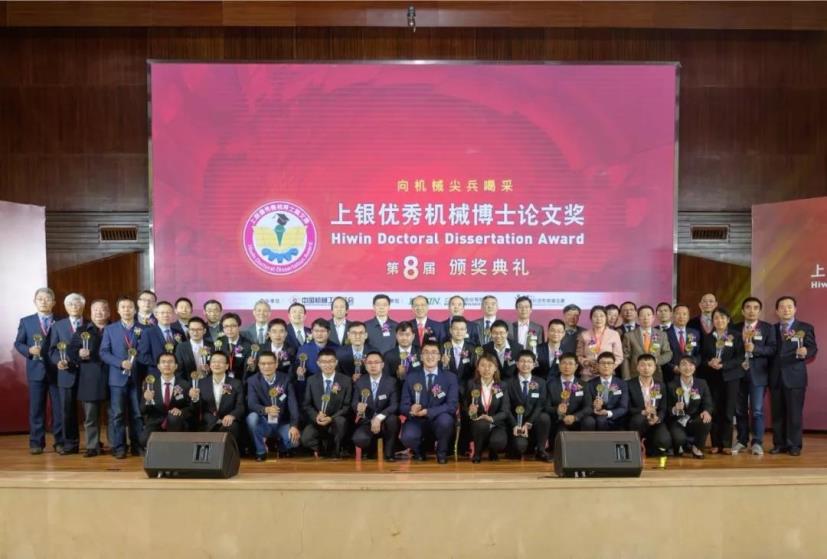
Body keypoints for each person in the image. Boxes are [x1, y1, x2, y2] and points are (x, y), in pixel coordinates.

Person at [14, 287, 63, 454]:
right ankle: (36, 443)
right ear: (35, 302)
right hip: (36, 370)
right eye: (40, 299)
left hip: (58, 371)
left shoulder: (61, 321)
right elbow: (18, 343)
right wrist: (28, 350)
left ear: (54, 302)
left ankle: (60, 442)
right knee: (36, 409)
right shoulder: (26, 321)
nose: (43, 301)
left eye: (47, 299)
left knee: (59, 409)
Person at [770, 296, 818, 456]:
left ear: (795, 309)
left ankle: (794, 445)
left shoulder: (805, 327)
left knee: (794, 413)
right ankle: (779, 444)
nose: (786, 309)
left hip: (795, 376)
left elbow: (813, 348)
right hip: (775, 376)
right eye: (782, 307)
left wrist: (806, 351)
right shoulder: (771, 329)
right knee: (777, 414)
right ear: (777, 311)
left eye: (789, 306)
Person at [400, 341, 459, 464]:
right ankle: (419, 451)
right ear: (421, 357)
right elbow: (403, 405)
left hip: (439, 418)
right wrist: (411, 409)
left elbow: (452, 406)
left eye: (433, 353)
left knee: (446, 421)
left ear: (439, 357)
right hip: (417, 420)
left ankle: (441, 453)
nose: (430, 356)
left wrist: (428, 412)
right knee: (408, 437)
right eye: (426, 353)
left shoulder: (450, 377)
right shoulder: (411, 377)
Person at [100, 296, 144, 458]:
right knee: (117, 414)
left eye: (130, 307)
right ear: (118, 310)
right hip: (117, 380)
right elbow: (103, 353)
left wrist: (135, 362)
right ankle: (119, 447)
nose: (127, 310)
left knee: (137, 414)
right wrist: (120, 363)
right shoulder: (110, 329)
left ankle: (137, 446)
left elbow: (146, 351)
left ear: (135, 309)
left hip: (137, 378)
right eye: (123, 307)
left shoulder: (144, 328)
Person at [732, 297, 777, 455]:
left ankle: (757, 442)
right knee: (740, 410)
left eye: (755, 307)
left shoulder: (767, 328)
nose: (752, 310)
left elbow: (772, 349)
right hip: (738, 374)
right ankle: (741, 441)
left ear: (760, 311)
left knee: (757, 410)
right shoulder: (734, 328)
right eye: (748, 307)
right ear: (743, 310)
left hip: (758, 375)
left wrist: (755, 349)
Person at [68, 299, 110, 457]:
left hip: (112, 377)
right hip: (89, 378)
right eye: (95, 310)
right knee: (91, 416)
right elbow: (71, 351)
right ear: (90, 313)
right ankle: (92, 446)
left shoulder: (115, 328)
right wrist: (78, 353)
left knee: (114, 415)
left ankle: (116, 445)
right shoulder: (82, 330)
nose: (99, 312)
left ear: (109, 312)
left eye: (103, 309)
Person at [699, 307, 744, 454]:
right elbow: (702, 358)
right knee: (715, 410)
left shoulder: (736, 336)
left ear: (728, 320)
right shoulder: (707, 337)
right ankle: (715, 443)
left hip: (731, 378)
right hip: (712, 378)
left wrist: (724, 365)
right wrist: (709, 363)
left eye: (723, 318)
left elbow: (740, 358)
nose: (719, 320)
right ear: (712, 321)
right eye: (716, 318)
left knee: (728, 411)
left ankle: (726, 444)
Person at [49, 292, 87, 455]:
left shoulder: (90, 324)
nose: (74, 306)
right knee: (67, 411)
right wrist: (58, 360)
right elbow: (52, 350)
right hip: (66, 373)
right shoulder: (58, 326)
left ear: (83, 306)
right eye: (70, 304)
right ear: (65, 307)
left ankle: (92, 443)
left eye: (77, 303)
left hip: (87, 374)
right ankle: (70, 444)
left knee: (90, 412)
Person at [246, 351, 300, 461]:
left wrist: (294, 425)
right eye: (263, 364)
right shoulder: (253, 381)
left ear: (276, 364)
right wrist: (266, 409)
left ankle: (283, 447)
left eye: (270, 363)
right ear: (258, 365)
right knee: (251, 418)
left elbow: (293, 404)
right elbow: (251, 403)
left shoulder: (286, 379)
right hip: (264, 422)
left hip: (281, 422)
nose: (266, 366)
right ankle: (260, 451)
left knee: (294, 442)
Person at [301, 348, 352, 458]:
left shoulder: (346, 380)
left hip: (336, 419)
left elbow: (347, 406)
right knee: (305, 439)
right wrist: (316, 416)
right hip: (318, 420)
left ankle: (336, 450)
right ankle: (324, 448)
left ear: (336, 362)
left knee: (340, 422)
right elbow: (307, 404)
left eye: (331, 361)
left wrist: (331, 418)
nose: (327, 365)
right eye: (324, 362)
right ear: (318, 363)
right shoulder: (311, 380)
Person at [351, 351, 399, 461]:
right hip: (367, 421)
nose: (373, 365)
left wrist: (379, 417)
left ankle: (389, 453)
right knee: (359, 439)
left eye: (376, 362)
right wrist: (358, 407)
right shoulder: (360, 382)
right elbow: (354, 403)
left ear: (382, 365)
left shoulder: (391, 382)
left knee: (393, 420)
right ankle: (370, 449)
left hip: (386, 421)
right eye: (370, 363)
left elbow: (394, 405)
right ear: (365, 365)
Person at [189, 351, 244, 445]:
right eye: (214, 361)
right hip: (209, 422)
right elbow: (196, 409)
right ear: (210, 365)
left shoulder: (236, 383)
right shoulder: (201, 383)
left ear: (227, 366)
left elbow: (240, 406)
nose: (217, 364)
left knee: (231, 429)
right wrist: (195, 398)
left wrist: (232, 415)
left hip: (229, 422)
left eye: (221, 362)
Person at [139, 353, 194, 447]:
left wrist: (181, 411)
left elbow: (191, 408)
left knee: (173, 418)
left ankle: (172, 448)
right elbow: (143, 410)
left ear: (176, 366)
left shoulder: (184, 384)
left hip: (177, 423)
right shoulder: (150, 385)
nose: (167, 365)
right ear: (158, 366)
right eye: (163, 362)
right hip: (156, 422)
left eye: (170, 362)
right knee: (144, 440)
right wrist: (147, 400)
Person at [464, 354, 510, 463]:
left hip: (496, 423)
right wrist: (470, 411)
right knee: (482, 424)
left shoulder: (502, 385)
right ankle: (477, 453)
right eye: (483, 365)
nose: (486, 369)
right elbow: (465, 406)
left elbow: (505, 411)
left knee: (498, 442)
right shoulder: (471, 384)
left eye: (490, 365)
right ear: (478, 368)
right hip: (478, 423)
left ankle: (493, 450)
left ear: (495, 368)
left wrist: (492, 418)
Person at [507, 351, 551, 462]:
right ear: (517, 364)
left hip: (532, 422)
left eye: (529, 361)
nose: (525, 364)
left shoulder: (541, 382)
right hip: (516, 424)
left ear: (534, 364)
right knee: (520, 447)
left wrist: (529, 422)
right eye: (522, 361)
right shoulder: (509, 383)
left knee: (544, 417)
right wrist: (515, 424)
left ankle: (541, 450)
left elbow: (540, 405)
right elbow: (506, 407)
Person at [666, 356, 713, 459]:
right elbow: (666, 408)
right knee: (679, 440)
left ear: (695, 367)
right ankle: (682, 445)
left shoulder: (701, 383)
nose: (687, 368)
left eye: (691, 364)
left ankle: (697, 447)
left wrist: (706, 411)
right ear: (678, 367)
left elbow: (708, 402)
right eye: (684, 364)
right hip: (677, 421)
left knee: (706, 420)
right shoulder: (671, 385)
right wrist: (674, 409)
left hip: (693, 420)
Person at [547, 353, 595, 449]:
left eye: (570, 363)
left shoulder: (584, 385)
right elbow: (545, 407)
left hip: (577, 420)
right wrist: (557, 410)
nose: (567, 366)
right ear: (559, 365)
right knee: (563, 443)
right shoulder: (550, 384)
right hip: (559, 421)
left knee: (589, 421)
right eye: (564, 363)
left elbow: (588, 407)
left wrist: (575, 417)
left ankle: (587, 449)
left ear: (576, 366)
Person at [627, 354, 671, 456]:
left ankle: (648, 446)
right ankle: (636, 446)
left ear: (655, 367)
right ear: (637, 367)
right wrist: (643, 412)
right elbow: (627, 407)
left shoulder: (660, 385)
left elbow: (663, 408)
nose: (646, 368)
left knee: (665, 442)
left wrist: (658, 418)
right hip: (637, 421)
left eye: (649, 365)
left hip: (654, 420)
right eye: (642, 365)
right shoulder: (629, 384)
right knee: (638, 420)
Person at [621, 305, 673, 382]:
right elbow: (625, 358)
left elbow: (668, 353)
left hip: (656, 375)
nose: (646, 318)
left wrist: (656, 360)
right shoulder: (629, 335)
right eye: (642, 315)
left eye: (648, 315)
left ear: (653, 318)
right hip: (635, 375)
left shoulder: (662, 334)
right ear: (638, 318)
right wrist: (626, 377)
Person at [576, 305, 623, 382]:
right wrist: (586, 362)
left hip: (607, 375)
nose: (598, 319)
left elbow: (619, 357)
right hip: (588, 374)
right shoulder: (584, 335)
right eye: (595, 316)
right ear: (591, 318)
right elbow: (579, 355)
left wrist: (606, 367)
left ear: (606, 318)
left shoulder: (614, 334)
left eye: (601, 316)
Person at [137, 301, 184, 375]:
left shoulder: (178, 333)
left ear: (173, 314)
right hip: (156, 374)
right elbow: (142, 356)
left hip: (176, 374)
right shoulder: (148, 333)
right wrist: (162, 364)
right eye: (162, 313)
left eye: (168, 312)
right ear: (156, 315)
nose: (166, 315)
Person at [585, 352, 629, 431]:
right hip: (596, 417)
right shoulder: (590, 384)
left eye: (609, 363)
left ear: (614, 366)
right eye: (603, 363)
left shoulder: (622, 384)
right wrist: (595, 407)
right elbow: (587, 406)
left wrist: (608, 413)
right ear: (598, 365)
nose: (606, 366)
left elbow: (623, 407)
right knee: (595, 420)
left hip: (615, 418)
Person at [663, 304, 701, 385]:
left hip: (690, 376)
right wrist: (673, 367)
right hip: (671, 376)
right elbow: (661, 355)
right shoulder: (664, 334)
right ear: (672, 315)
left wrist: (693, 365)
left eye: (684, 314)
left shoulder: (695, 333)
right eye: (678, 314)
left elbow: (698, 353)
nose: (681, 317)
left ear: (688, 317)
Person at [442, 316, 478, 398]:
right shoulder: (442, 348)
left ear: (466, 331)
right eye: (456, 329)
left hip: (467, 390)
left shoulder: (473, 349)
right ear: (450, 330)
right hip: (447, 389)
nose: (459, 332)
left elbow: (475, 371)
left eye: (462, 329)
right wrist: (444, 364)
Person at [212, 312, 252, 381]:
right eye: (226, 326)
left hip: (240, 381)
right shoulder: (219, 342)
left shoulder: (247, 345)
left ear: (239, 326)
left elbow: (248, 369)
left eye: (233, 326)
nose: (229, 329)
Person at [382, 321, 420, 389]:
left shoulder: (420, 353)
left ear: (413, 336)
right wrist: (397, 375)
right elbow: (385, 379)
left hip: (417, 389)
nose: (404, 338)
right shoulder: (388, 355)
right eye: (401, 335)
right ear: (396, 336)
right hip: (396, 390)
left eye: (407, 335)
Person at [175, 316, 213, 382]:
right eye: (192, 329)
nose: (195, 332)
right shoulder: (181, 347)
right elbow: (178, 371)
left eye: (199, 329)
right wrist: (186, 386)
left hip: (208, 383)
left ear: (204, 331)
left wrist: (209, 369)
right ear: (188, 331)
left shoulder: (212, 346)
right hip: (188, 384)